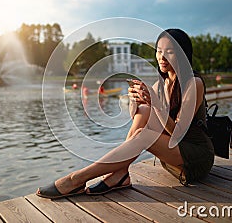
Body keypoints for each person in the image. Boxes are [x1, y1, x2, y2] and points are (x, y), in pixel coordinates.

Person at [36, 28, 214, 199]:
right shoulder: (162, 83)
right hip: (173, 159)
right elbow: (139, 119)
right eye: (159, 51)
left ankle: (76, 179)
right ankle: (120, 175)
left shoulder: (193, 83)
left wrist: (155, 103)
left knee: (144, 133)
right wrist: (135, 103)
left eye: (170, 52)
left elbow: (177, 133)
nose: (162, 57)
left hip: (195, 158)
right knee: (144, 110)